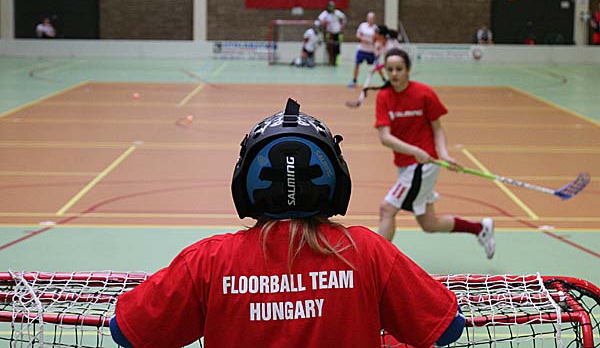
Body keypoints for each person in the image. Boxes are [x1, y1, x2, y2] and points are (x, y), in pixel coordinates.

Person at [110, 98, 465, 348]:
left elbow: (126, 332)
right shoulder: (368, 252)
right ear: (335, 182)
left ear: (245, 183)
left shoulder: (208, 261)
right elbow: (448, 328)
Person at [374, 48, 495, 259]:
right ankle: (480, 228)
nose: (394, 74)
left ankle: (375, 262)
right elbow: (385, 137)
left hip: (424, 165)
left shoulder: (424, 93)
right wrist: (414, 150)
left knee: (387, 209)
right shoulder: (384, 97)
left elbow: (437, 128)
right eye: (390, 69)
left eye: (399, 69)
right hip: (408, 163)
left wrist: (445, 155)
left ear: (408, 70)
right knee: (429, 223)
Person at [348, 12, 384, 88]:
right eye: (369, 18)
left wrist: (374, 42)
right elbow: (358, 34)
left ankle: (384, 79)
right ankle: (354, 80)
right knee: (357, 64)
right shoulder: (363, 25)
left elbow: (378, 38)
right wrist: (362, 39)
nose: (370, 20)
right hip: (362, 49)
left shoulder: (375, 28)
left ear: (374, 19)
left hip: (371, 51)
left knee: (377, 65)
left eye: (372, 18)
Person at [318, 1, 346, 66]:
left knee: (337, 47)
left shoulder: (337, 13)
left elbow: (344, 18)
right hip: (329, 33)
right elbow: (320, 19)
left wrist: (342, 25)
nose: (331, 8)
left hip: (337, 32)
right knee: (329, 47)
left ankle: (336, 61)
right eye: (330, 6)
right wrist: (324, 22)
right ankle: (330, 60)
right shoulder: (325, 14)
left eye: (332, 6)